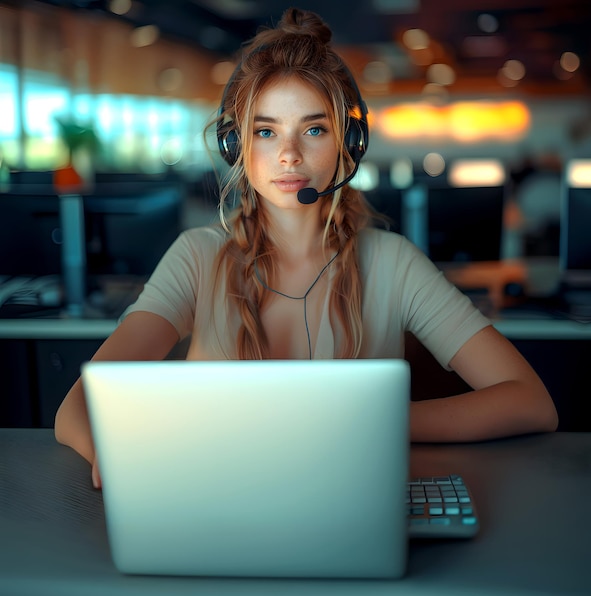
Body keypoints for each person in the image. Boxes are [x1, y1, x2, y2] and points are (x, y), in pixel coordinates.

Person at [54, 7, 558, 488]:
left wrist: (375, 423)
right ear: (239, 148)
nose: (290, 154)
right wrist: (108, 457)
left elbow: (530, 401)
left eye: (314, 129)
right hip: (217, 506)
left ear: (348, 144)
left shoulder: (392, 262)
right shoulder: (197, 257)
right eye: (266, 131)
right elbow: (76, 409)